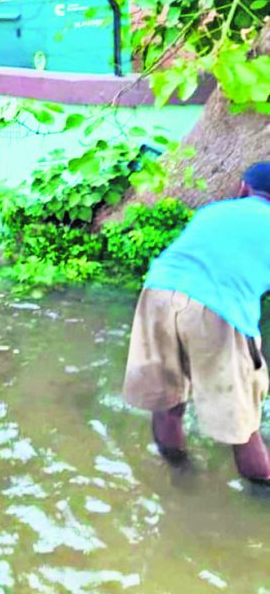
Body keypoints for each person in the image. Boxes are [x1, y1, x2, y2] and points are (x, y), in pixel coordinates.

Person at [123, 162, 270, 485]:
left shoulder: (212, 212)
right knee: (243, 425)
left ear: (243, 189)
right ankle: (261, 490)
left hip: (156, 294)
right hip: (219, 309)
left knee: (166, 403)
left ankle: (181, 476)